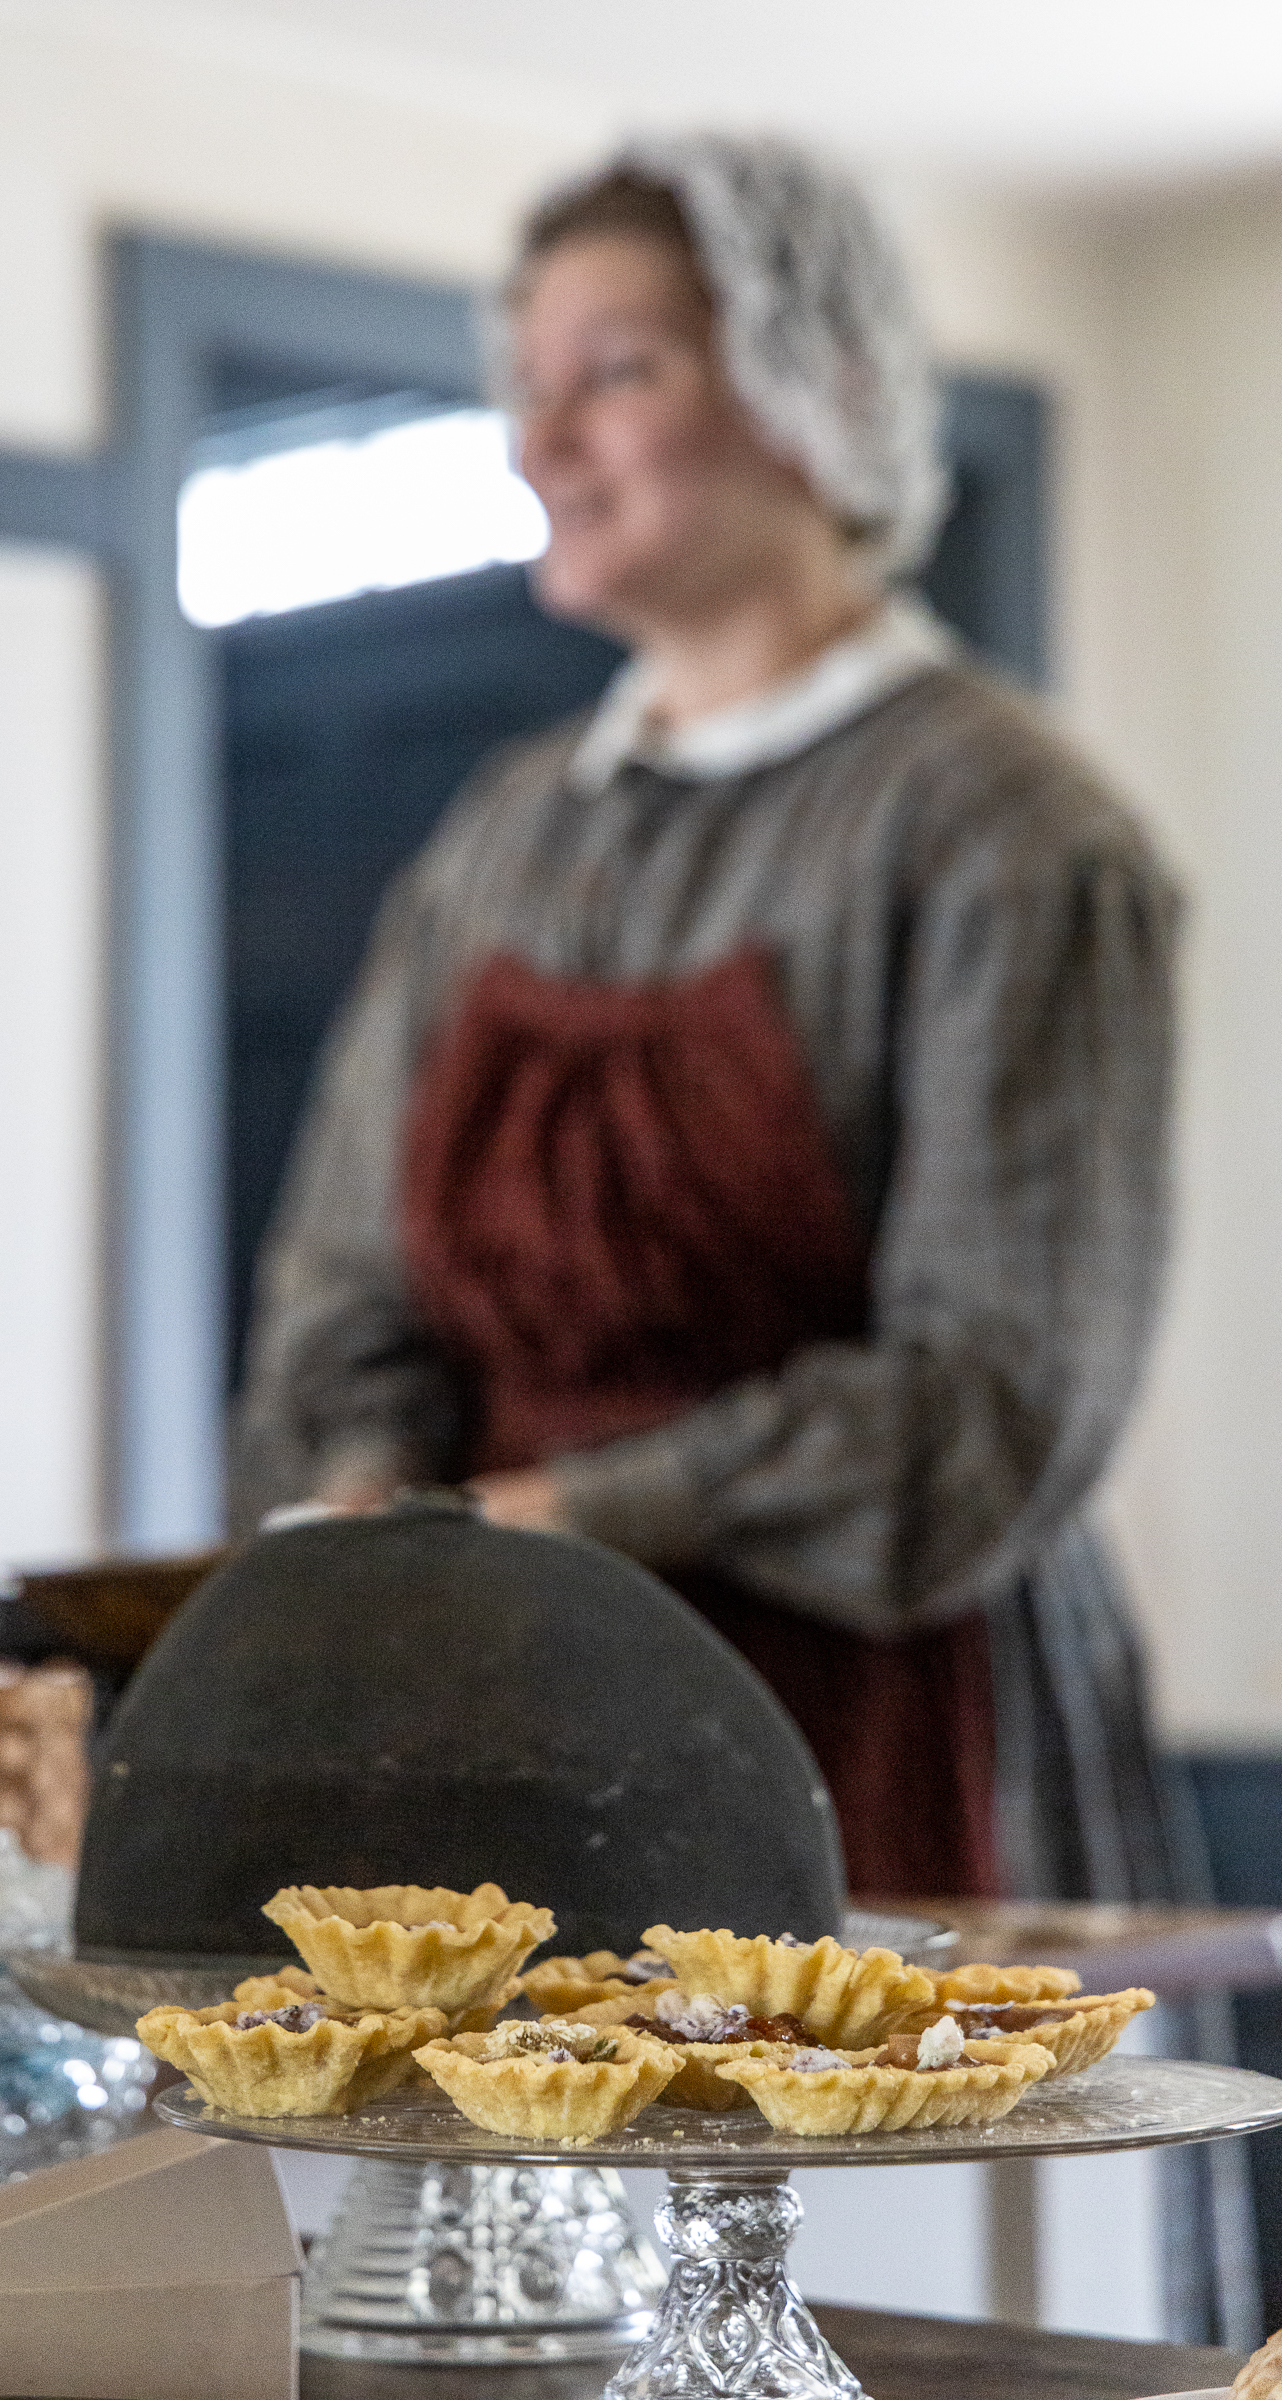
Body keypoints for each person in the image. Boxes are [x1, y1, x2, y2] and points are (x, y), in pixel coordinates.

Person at [230, 134, 1189, 1908]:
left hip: (898, 1734)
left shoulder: (1007, 827)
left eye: (616, 372)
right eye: (527, 390)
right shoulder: (504, 841)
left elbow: (998, 1397)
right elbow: (342, 1290)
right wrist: (373, 1507)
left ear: (805, 391)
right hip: (512, 1712)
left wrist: (581, 1524)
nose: (543, 445)